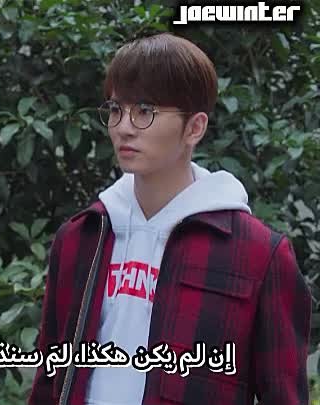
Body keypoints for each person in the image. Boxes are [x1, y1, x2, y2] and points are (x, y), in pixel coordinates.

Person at [29, 32, 311, 405]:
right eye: (115, 109)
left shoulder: (259, 254)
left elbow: (284, 395)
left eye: (145, 111)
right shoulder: (82, 236)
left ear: (194, 127)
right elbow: (50, 378)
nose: (124, 126)